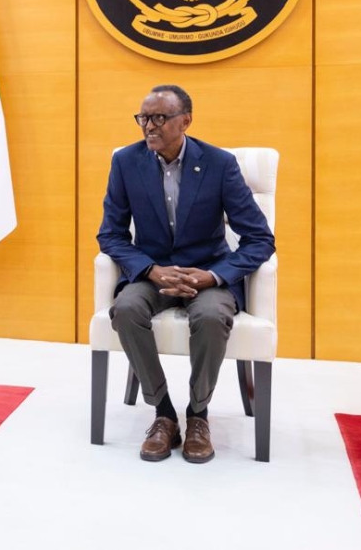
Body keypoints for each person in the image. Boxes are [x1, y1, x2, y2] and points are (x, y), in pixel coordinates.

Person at [96, 84, 274, 464]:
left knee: (211, 316)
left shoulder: (220, 164)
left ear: (185, 121)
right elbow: (110, 234)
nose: (148, 126)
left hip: (206, 273)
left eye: (159, 118)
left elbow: (260, 239)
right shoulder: (126, 163)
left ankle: (198, 415)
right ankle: (163, 413)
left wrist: (214, 277)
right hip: (153, 273)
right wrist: (151, 270)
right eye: (143, 118)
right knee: (126, 308)